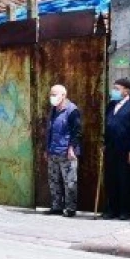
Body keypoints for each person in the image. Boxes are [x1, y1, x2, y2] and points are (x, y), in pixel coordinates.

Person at [102, 78, 130, 220]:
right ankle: (111, 209)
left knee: (125, 180)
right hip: (111, 148)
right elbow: (107, 125)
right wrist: (104, 142)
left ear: (126, 91)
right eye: (114, 88)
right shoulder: (111, 105)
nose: (114, 91)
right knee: (111, 180)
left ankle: (124, 211)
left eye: (117, 89)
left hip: (126, 150)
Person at [43, 85, 82, 217]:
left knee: (69, 181)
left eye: (54, 95)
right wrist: (47, 149)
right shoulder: (53, 110)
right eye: (51, 95)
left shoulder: (72, 110)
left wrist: (72, 148)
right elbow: (50, 130)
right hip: (53, 151)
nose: (51, 97)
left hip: (67, 152)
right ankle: (56, 206)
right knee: (53, 180)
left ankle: (70, 208)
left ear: (63, 95)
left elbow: (77, 132)